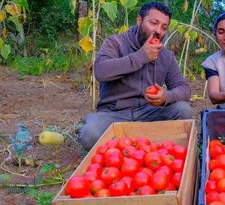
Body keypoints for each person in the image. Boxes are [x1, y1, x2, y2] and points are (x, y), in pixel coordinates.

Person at [80, 2, 192, 151]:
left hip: (149, 113)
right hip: (114, 115)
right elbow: (101, 71)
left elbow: (184, 88)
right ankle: (142, 144)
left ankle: (130, 145)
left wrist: (166, 96)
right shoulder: (115, 43)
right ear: (139, 21)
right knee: (90, 134)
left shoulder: (166, 56)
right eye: (154, 23)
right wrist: (142, 56)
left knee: (183, 110)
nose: (158, 30)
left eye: (164, 27)